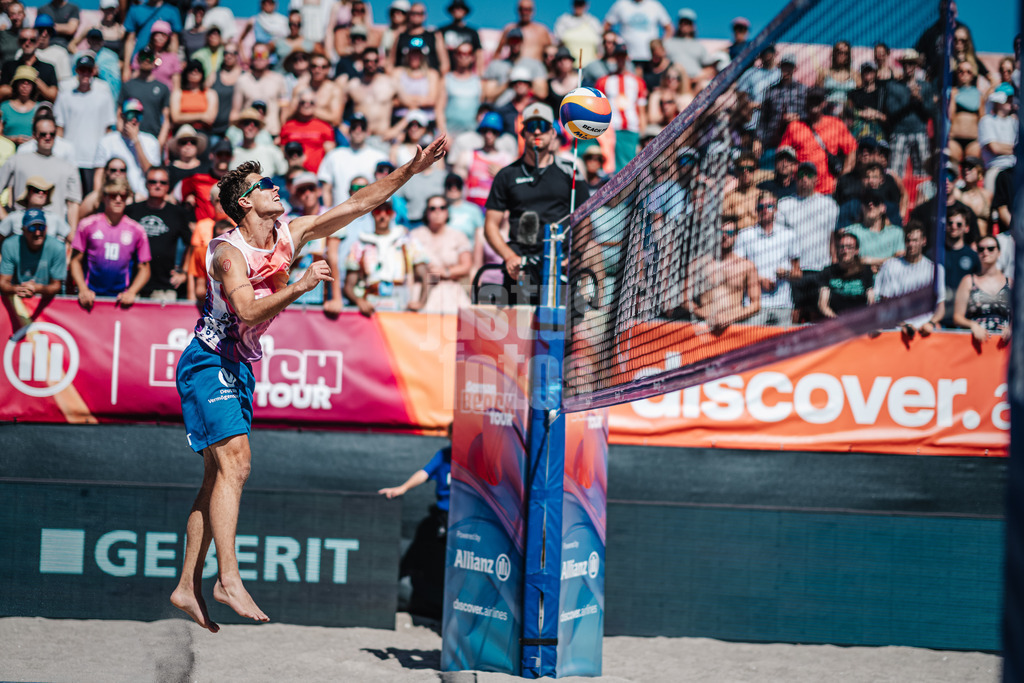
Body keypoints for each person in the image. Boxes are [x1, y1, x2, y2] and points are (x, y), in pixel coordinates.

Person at [169, 134, 447, 631]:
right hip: (207, 360)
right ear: (244, 203)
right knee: (237, 462)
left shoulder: (289, 233)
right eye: (264, 185)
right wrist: (300, 286)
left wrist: (412, 169)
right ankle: (226, 578)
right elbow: (249, 307)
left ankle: (187, 585)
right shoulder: (227, 253)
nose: (276, 189)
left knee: (216, 478)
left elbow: (360, 202)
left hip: (239, 366)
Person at [484, 102, 589, 305]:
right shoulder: (507, 175)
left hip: (559, 262)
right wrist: (508, 257)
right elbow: (490, 225)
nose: (538, 131)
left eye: (543, 126)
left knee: (558, 330)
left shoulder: (571, 172)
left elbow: (585, 221)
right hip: (520, 264)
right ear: (523, 134)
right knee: (519, 332)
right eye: (532, 127)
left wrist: (573, 256)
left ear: (553, 133)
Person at [378, 424, 453, 620]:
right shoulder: (444, 455)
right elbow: (425, 472)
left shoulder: (477, 456)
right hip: (446, 518)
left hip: (470, 520)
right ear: (450, 435)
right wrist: (403, 488)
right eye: (454, 434)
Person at [69, 177, 150, 309]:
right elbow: (75, 261)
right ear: (104, 197)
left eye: (122, 196)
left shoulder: (137, 230)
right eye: (113, 195)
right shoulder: (87, 225)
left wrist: (132, 292)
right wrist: (83, 289)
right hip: (91, 297)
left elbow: (145, 268)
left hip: (121, 299)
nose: (118, 200)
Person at [342, 199, 429, 315]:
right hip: (371, 306)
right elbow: (348, 286)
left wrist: (422, 302)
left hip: (402, 305)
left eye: (387, 211)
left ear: (393, 214)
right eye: (378, 211)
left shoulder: (408, 241)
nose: (382, 216)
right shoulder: (360, 245)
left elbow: (428, 276)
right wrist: (359, 301)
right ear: (372, 214)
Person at [776, 162, 838, 321]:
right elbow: (780, 240)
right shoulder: (784, 204)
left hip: (820, 269)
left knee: (817, 314)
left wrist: (834, 264)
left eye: (809, 175)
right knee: (795, 314)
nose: (805, 179)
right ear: (796, 178)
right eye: (801, 175)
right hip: (795, 271)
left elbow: (832, 239)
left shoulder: (829, 205)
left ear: (816, 179)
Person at [0, 116, 82, 230]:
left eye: (52, 134)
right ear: (34, 135)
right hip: (21, 233)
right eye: (43, 134)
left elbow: (73, 204)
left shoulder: (68, 167)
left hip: (55, 234)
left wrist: (71, 235)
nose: (48, 137)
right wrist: (7, 221)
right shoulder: (16, 161)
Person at [126, 166, 194, 301]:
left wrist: (184, 272)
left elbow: (192, 244)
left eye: (162, 182)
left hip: (164, 287)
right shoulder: (131, 211)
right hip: (131, 286)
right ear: (146, 184)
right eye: (153, 182)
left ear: (168, 186)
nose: (158, 186)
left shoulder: (178, 213)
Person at [734, 191, 800, 327]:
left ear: (776, 209)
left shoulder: (789, 235)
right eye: (761, 207)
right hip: (755, 304)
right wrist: (758, 279)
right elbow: (737, 270)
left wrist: (786, 274)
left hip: (783, 303)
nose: (765, 210)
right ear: (756, 210)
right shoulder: (745, 235)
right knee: (752, 345)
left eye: (769, 206)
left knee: (783, 346)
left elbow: (798, 273)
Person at [55, 53, 117, 195]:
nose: (85, 74)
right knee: (71, 197)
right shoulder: (65, 96)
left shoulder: (104, 96)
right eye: (82, 70)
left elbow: (108, 130)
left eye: (88, 70)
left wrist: (106, 158)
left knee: (92, 198)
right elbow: (60, 128)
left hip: (95, 160)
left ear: (94, 71)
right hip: (71, 158)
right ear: (76, 71)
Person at [778, 86, 856, 196]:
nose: (814, 104)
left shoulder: (836, 124)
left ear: (824, 103)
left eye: (817, 100)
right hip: (800, 190)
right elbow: (782, 155)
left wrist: (841, 179)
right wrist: (789, 175)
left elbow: (851, 151)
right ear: (806, 102)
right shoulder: (794, 126)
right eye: (811, 100)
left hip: (827, 190)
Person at [687, 217, 760, 332]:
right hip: (705, 326)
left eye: (729, 233)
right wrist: (706, 315)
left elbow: (756, 304)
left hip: (734, 328)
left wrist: (730, 317)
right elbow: (684, 299)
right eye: (721, 232)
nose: (724, 236)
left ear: (736, 236)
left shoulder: (747, 266)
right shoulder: (699, 264)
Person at [875, 222, 944, 339]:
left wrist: (931, 323)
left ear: (924, 241)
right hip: (897, 331)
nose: (911, 244)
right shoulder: (890, 266)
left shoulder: (936, 270)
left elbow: (940, 308)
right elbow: (885, 305)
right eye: (908, 240)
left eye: (915, 240)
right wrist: (903, 325)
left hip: (925, 331)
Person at [410, 195, 473, 313]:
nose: (437, 212)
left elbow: (466, 266)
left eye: (442, 208)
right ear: (426, 212)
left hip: (451, 292)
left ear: (447, 212)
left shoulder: (458, 236)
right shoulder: (415, 236)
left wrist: (444, 272)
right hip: (423, 291)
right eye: (433, 208)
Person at [93, 99, 161, 199]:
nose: (134, 119)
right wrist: (98, 197)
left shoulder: (151, 141)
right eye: (130, 115)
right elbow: (99, 174)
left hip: (141, 197)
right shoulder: (107, 141)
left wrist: (136, 141)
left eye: (138, 115)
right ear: (122, 116)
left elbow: (151, 173)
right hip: (114, 195)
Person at [596, 42, 648, 172]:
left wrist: (643, 133)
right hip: (612, 129)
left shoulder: (638, 82)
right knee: (613, 167)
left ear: (627, 58)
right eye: (618, 56)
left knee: (632, 166)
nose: (620, 60)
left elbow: (641, 110)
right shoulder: (604, 81)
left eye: (623, 56)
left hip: (632, 128)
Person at [952, 234, 1012, 345]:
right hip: (975, 344)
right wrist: (973, 325)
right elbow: (957, 317)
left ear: (999, 252)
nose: (985, 252)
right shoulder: (968, 281)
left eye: (990, 249)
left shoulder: (1011, 283)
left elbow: (1019, 314)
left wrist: (1011, 328)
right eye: (981, 249)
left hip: (1003, 345)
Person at [317, 113, 386, 207]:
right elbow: (326, 189)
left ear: (367, 131)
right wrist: (327, 212)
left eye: (362, 127)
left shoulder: (379, 157)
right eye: (354, 127)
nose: (358, 131)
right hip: (340, 216)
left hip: (370, 216)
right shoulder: (334, 156)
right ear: (348, 130)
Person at [0, 209, 66, 302]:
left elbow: (56, 285)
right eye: (32, 228)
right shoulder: (10, 245)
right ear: (23, 230)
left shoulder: (58, 247)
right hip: (18, 299)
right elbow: (3, 283)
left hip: (46, 301)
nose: (37, 233)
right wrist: (18, 289)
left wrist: (36, 288)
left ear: (46, 228)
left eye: (41, 228)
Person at [0, 176, 73, 249]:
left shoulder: (54, 218)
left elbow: (73, 240)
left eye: (45, 191)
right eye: (36, 190)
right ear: (28, 193)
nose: (41, 193)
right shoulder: (14, 217)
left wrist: (67, 255)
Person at [119, 47, 171, 148]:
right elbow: (119, 113)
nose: (146, 60)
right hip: (130, 138)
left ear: (154, 60)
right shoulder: (128, 86)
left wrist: (160, 143)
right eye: (143, 57)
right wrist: (123, 135)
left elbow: (166, 118)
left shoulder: (162, 88)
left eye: (150, 57)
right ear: (138, 60)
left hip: (154, 137)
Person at [818, 231, 874, 318]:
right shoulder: (828, 271)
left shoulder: (865, 270)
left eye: (849, 247)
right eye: (842, 247)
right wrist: (837, 320)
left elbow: (871, 301)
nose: (845, 251)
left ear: (856, 250)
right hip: (835, 321)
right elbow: (823, 304)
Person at [941, 205, 980, 327]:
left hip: (964, 319)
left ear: (967, 228)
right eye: (950, 223)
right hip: (939, 319)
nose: (953, 227)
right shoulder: (935, 253)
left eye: (959, 224)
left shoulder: (973, 256)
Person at [603, 0, 672, 69]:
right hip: (627, 57)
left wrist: (660, 47)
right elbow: (606, 26)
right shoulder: (621, 4)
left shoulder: (655, 5)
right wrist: (617, 42)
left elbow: (669, 29)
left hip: (650, 58)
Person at [977, 91, 1018, 192]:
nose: (1011, 102)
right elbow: (994, 148)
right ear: (998, 103)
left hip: (1015, 168)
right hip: (996, 168)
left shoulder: (1014, 122)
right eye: (1007, 100)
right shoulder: (987, 120)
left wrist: (1006, 148)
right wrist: (1015, 149)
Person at [721, 153, 761, 228]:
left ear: (755, 171)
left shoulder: (761, 195)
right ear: (736, 171)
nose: (746, 173)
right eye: (742, 169)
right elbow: (723, 222)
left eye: (750, 169)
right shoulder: (730, 197)